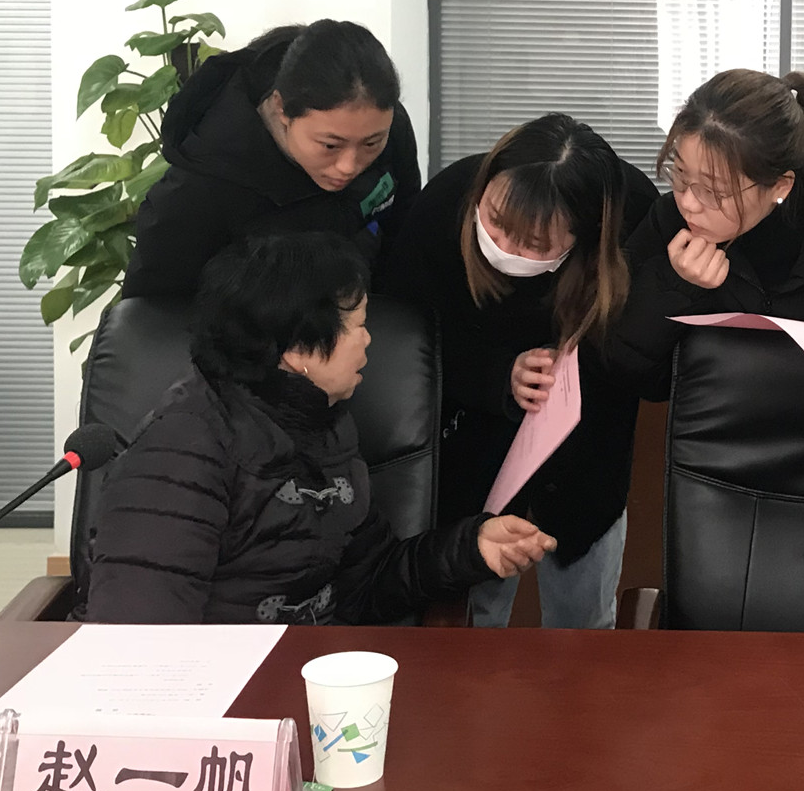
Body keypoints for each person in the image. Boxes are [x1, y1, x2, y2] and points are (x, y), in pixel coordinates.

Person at [84, 232, 555, 624]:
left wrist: (471, 548)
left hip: (311, 672)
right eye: (357, 325)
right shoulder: (182, 448)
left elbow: (368, 581)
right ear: (297, 348)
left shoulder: (323, 425)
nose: (368, 340)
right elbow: (140, 637)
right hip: (225, 694)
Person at [385, 114, 655, 629]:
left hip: (588, 451)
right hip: (474, 447)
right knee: (475, 613)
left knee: (585, 619)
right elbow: (402, 343)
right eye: (495, 222)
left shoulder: (633, 214)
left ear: (586, 235)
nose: (507, 249)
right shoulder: (445, 204)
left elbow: (645, 356)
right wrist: (495, 377)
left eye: (535, 243)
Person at [611, 69, 804, 397]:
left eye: (714, 190)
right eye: (680, 173)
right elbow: (630, 373)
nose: (688, 203)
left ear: (780, 186)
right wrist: (675, 286)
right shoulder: (669, 221)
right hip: (722, 420)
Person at [122, 20, 420, 300]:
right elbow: (149, 319)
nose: (349, 166)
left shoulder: (388, 129)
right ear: (281, 109)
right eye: (330, 145)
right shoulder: (197, 192)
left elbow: (404, 239)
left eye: (371, 143)